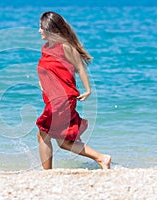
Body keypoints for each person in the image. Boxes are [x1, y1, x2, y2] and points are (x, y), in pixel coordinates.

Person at [36, 11, 111, 170]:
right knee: (63, 141)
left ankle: (47, 174)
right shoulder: (45, 47)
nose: (39, 31)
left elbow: (80, 68)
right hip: (53, 99)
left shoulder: (65, 46)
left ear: (50, 28)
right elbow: (49, 69)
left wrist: (88, 90)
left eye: (42, 27)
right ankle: (102, 158)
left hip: (62, 99)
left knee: (43, 134)